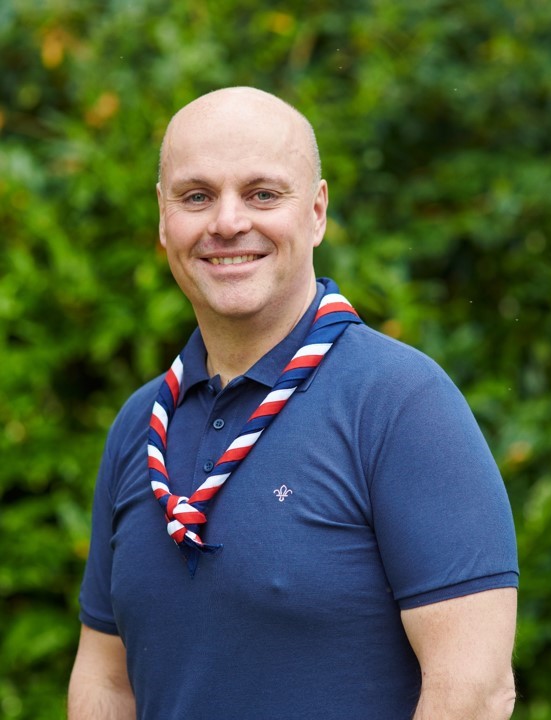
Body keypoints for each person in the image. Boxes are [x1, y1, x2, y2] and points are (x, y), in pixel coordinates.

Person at [68, 86, 519, 720]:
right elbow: (105, 680)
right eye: (196, 196)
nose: (227, 222)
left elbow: (473, 691)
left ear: (316, 212)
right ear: (163, 220)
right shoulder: (141, 426)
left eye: (263, 194)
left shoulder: (401, 404)